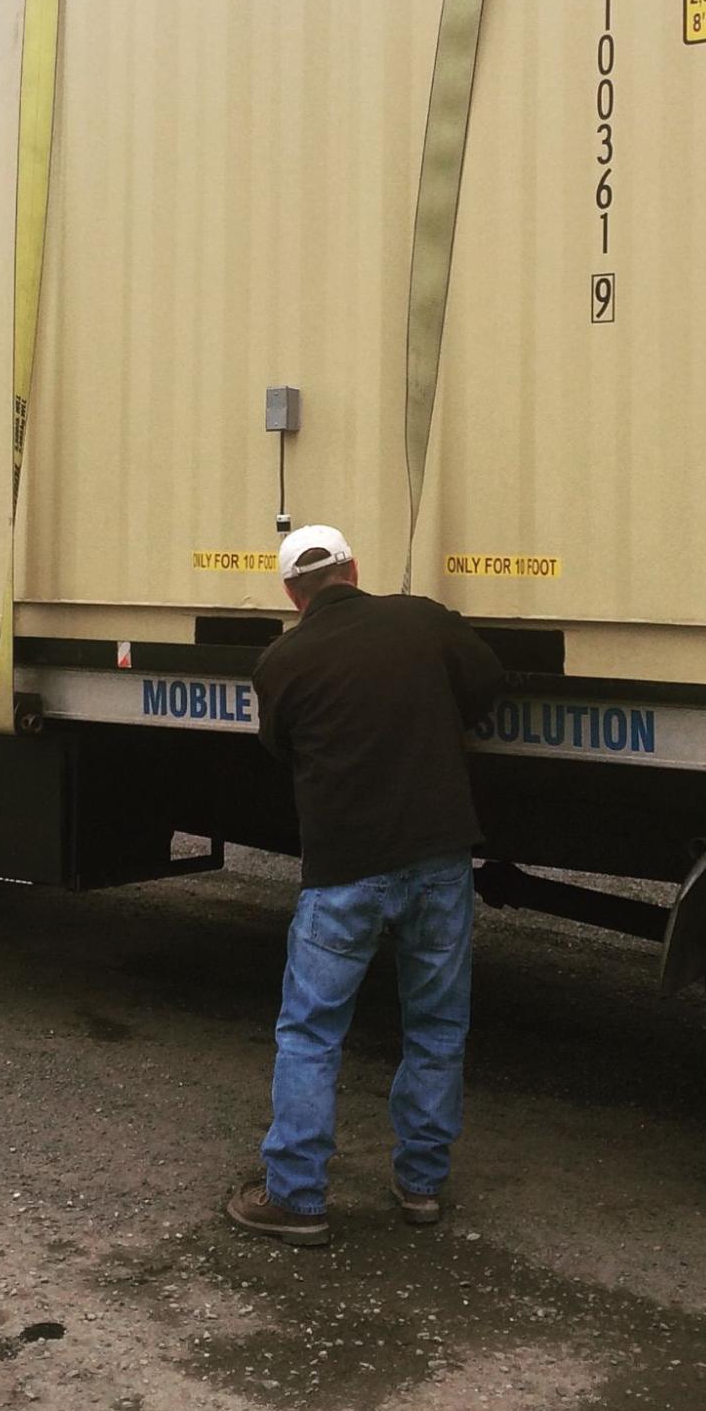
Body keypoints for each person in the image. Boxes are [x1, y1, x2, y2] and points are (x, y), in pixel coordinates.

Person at [226, 524, 505, 1246]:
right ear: (354, 568)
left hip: (343, 871)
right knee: (437, 1027)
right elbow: (487, 684)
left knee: (311, 1032)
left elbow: (278, 747)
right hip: (438, 858)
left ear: (292, 593)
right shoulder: (421, 619)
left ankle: (295, 1198)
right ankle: (419, 1186)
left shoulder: (280, 661)